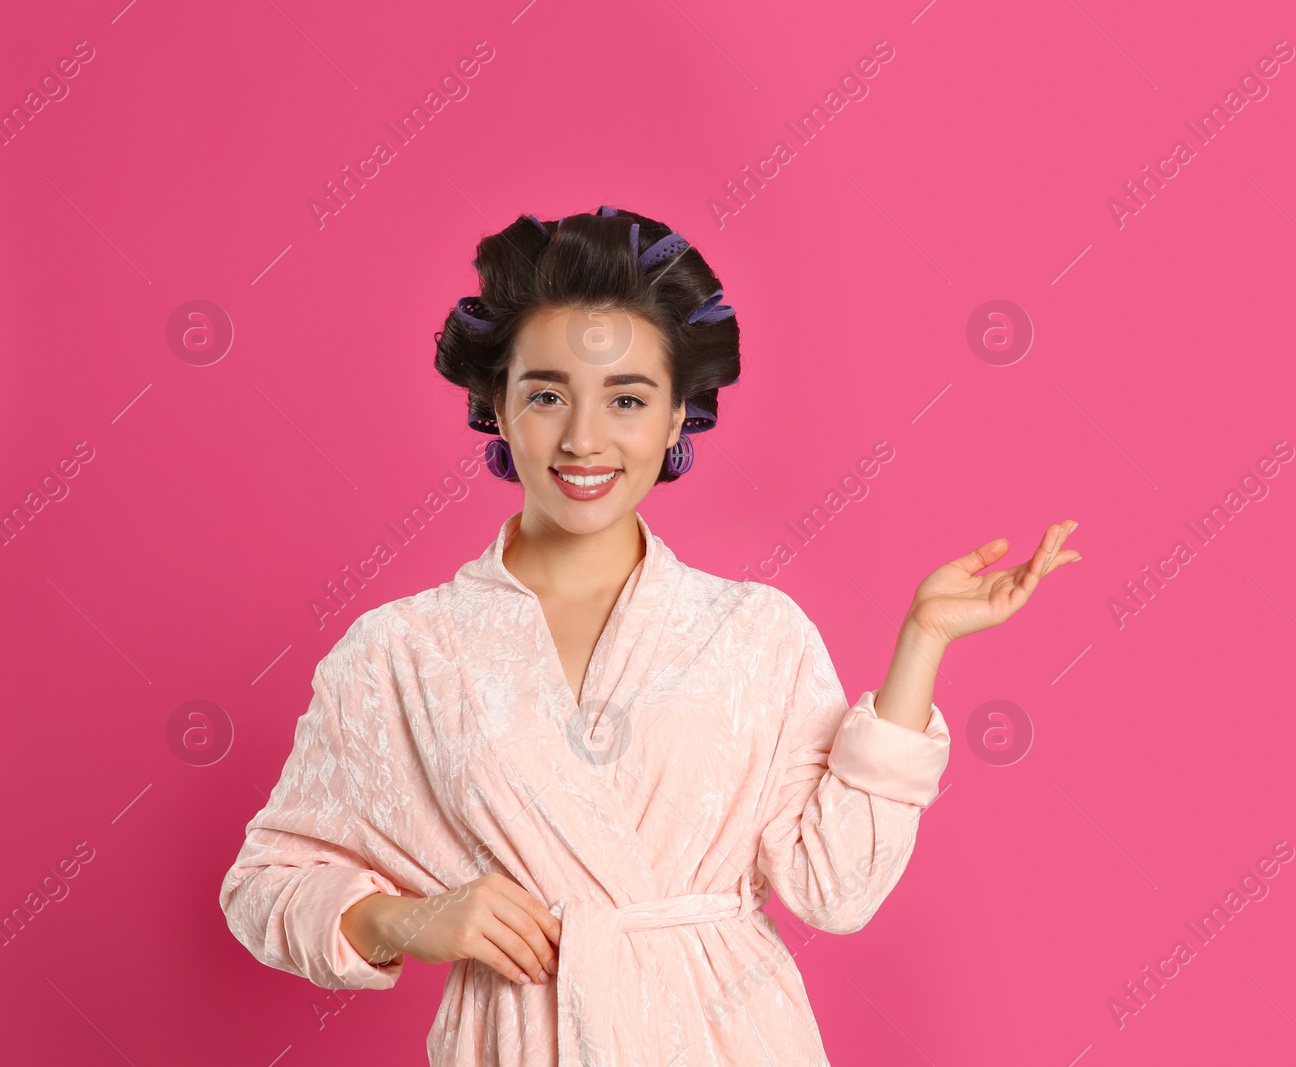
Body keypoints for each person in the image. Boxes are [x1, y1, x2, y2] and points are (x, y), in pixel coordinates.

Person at [218, 205, 1082, 1066]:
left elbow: (839, 886)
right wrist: (411, 916)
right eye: (547, 393)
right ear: (496, 407)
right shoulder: (399, 654)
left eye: (627, 398)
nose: (584, 438)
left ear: (677, 419)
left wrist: (922, 641)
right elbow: (263, 887)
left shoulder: (753, 635)